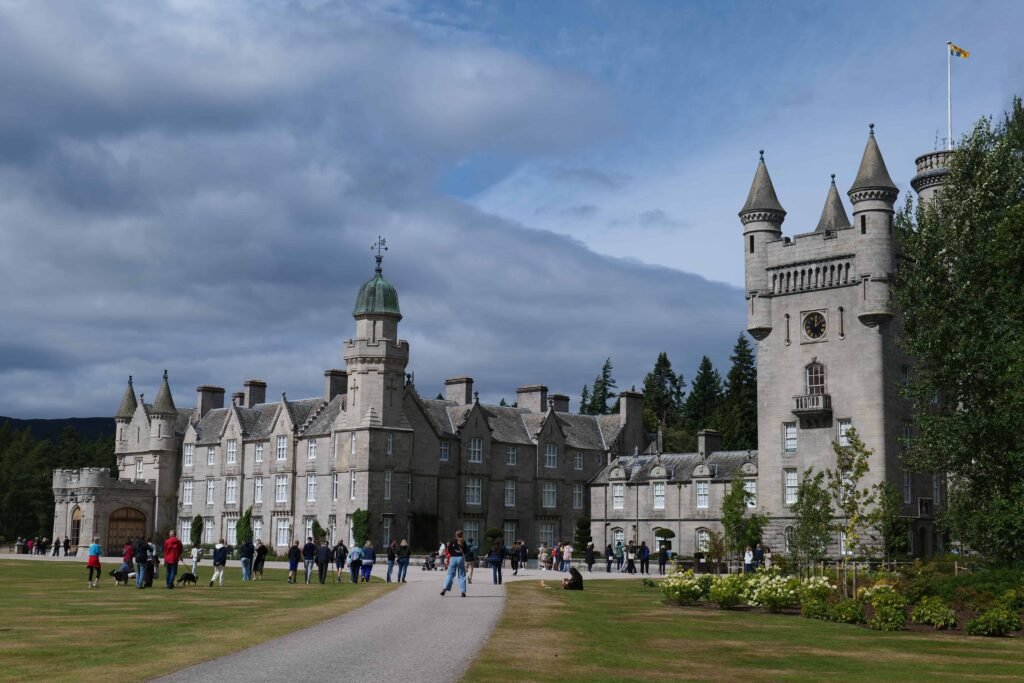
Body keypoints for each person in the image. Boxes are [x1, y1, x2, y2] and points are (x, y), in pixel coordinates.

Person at [439, 530, 468, 597]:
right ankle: (462, 592)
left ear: (456, 535)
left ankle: (444, 589)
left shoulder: (452, 541)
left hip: (453, 558)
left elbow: (448, 550)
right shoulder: (464, 542)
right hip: (460, 558)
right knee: (462, 575)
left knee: (450, 575)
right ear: (462, 535)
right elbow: (466, 551)